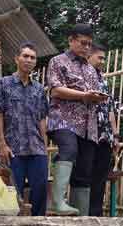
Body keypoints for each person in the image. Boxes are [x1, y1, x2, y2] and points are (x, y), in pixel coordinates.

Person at [46, 23, 108, 215]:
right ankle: (57, 202)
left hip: (88, 125)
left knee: (84, 169)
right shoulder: (58, 61)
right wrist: (83, 96)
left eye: (89, 44)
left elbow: (92, 95)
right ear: (71, 40)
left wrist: (95, 97)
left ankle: (80, 214)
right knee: (69, 149)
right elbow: (55, 89)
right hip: (63, 120)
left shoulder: (91, 70)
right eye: (83, 43)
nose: (86, 47)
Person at [0, 42, 49, 216]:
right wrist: (2, 144)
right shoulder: (3, 84)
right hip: (12, 149)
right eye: (25, 56)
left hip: (36, 148)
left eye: (32, 57)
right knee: (11, 195)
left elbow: (41, 119)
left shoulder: (39, 89)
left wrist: (45, 147)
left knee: (40, 191)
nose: (29, 60)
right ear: (17, 59)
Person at [87, 43, 120, 216]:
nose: (102, 61)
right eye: (100, 57)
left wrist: (115, 135)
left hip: (105, 137)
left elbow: (110, 109)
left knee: (100, 178)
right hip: (88, 135)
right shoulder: (82, 76)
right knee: (86, 176)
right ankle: (84, 214)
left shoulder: (103, 80)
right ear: (89, 56)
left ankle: (96, 214)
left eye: (104, 58)